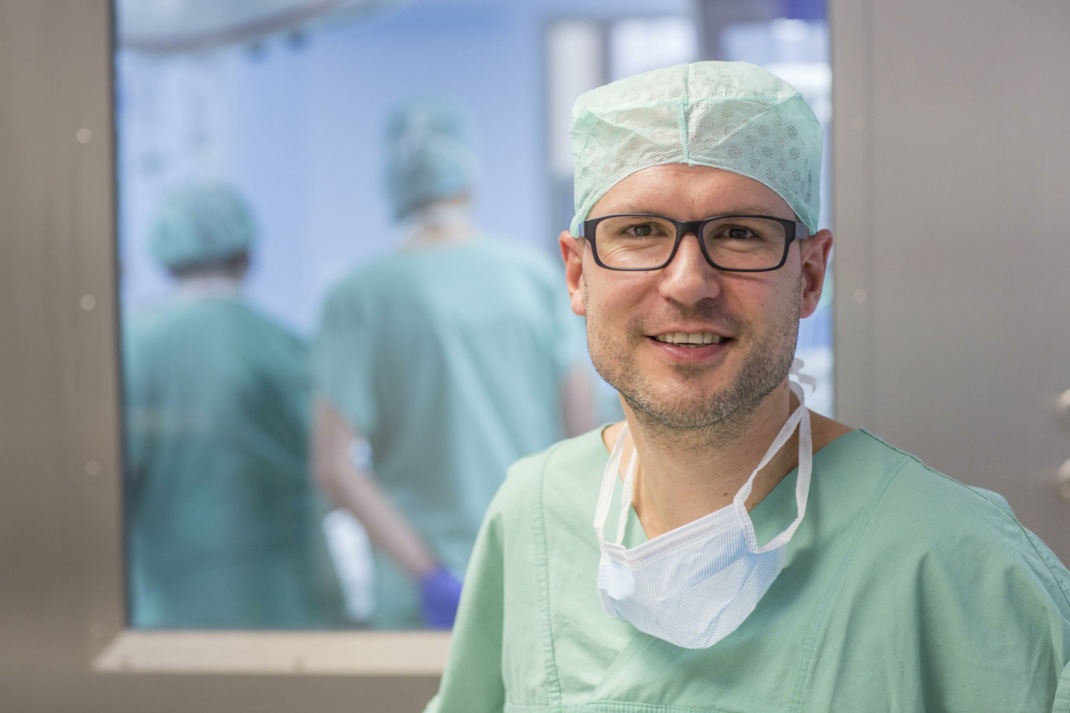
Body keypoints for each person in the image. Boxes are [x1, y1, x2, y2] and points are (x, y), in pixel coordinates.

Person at [426, 61, 1070, 711]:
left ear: (811, 274)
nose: (687, 282)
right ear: (576, 273)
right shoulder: (534, 513)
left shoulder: (958, 559)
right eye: (640, 231)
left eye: (738, 234)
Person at [311, 98, 595, 630]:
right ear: (469, 175)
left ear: (393, 182)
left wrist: (430, 578)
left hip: (418, 600)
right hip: (531, 573)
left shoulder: (358, 295)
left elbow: (334, 467)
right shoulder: (532, 278)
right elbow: (582, 438)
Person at [124, 183, 347, 629]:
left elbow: (115, 479)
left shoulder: (131, 347)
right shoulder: (286, 347)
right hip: (289, 606)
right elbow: (331, 469)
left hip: (175, 613)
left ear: (164, 259)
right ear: (248, 258)